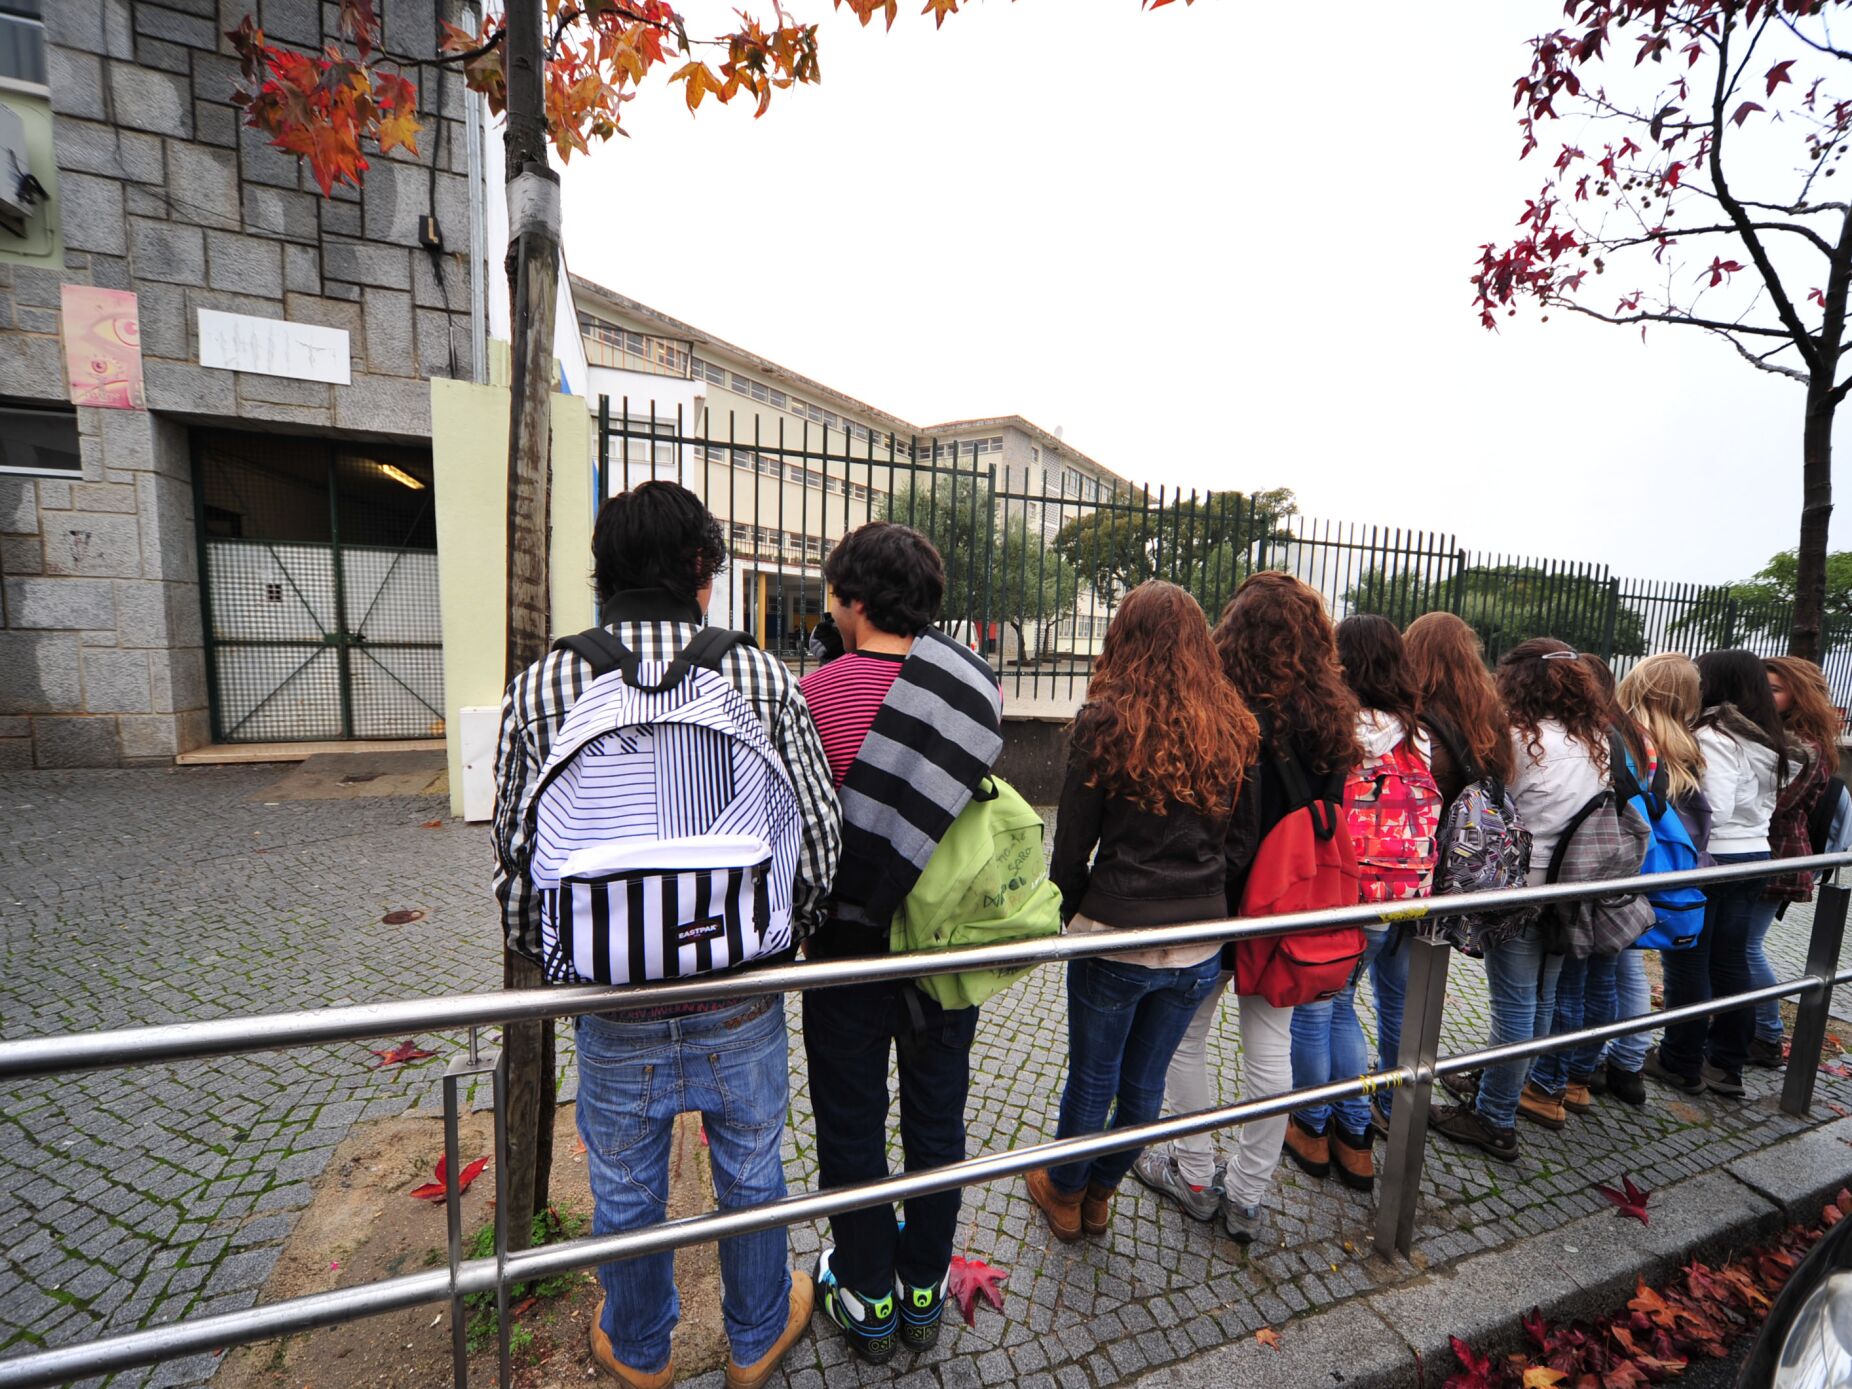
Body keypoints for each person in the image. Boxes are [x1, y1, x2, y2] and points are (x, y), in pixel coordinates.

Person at [492, 482, 841, 1389]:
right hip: (739, 984)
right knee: (752, 1171)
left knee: (626, 1186)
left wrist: (566, 964)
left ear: (601, 575)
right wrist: (778, 942)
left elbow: (516, 866)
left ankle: (640, 1351)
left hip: (613, 999)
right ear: (702, 571)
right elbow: (817, 837)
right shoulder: (758, 676)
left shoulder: (544, 686)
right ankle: (756, 1338)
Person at [797, 521, 1003, 1366]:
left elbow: (801, 837)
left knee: (852, 1125)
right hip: (941, 951)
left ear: (851, 599)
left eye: (832, 595)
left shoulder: (813, 697)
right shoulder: (971, 691)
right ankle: (925, 1292)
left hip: (847, 951)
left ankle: (868, 1299)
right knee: (937, 1122)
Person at [1028, 581, 1261, 1243]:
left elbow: (1071, 842)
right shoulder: (1233, 724)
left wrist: (1065, 916)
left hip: (1116, 934)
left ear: (1121, 638)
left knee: (1093, 1077)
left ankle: (1065, 1191)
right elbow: (1239, 841)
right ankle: (1101, 1191)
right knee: (1144, 1085)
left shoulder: (1104, 720)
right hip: (1198, 938)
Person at [1136, 572, 1361, 1241]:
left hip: (1222, 894)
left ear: (1233, 630)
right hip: (1291, 901)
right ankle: (1250, 1190)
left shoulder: (1222, 708)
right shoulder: (1332, 714)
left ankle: (1195, 1170)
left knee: (1187, 1037)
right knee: (1272, 1042)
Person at [1430, 638, 1612, 1160]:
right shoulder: (1593, 739)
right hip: (1572, 888)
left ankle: (1494, 1117)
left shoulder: (1521, 739)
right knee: (1542, 999)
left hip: (1521, 889)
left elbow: (1495, 802)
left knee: (1512, 1007)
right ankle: (1500, 1093)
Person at [1283, 614, 1435, 1193]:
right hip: (1400, 898)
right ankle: (1356, 1142)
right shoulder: (1419, 733)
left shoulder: (1334, 727)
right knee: (1345, 1005)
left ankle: (1313, 1127)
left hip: (1341, 892)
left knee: (1321, 1007)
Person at [1646, 650, 1792, 1099]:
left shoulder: (1715, 734)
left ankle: (1681, 1060)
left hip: (1717, 861)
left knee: (1688, 959)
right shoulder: (1768, 738)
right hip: (1755, 855)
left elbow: (1717, 808)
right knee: (1730, 960)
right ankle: (1726, 1063)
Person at [1526, 653, 1656, 1118]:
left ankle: (1543, 1083)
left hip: (1570, 874)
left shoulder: (1577, 739)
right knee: (1591, 983)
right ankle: (1574, 1079)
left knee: (1559, 989)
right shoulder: (1617, 738)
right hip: (1606, 874)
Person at [1752, 656, 1838, 1067]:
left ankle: (1767, 1036)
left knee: (1745, 950)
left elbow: (1772, 805)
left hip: (1777, 856)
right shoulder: (1782, 738)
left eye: (1774, 690)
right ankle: (1755, 1029)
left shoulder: (1802, 747)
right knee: (1741, 948)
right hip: (1773, 854)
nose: (1764, 697)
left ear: (1798, 698)